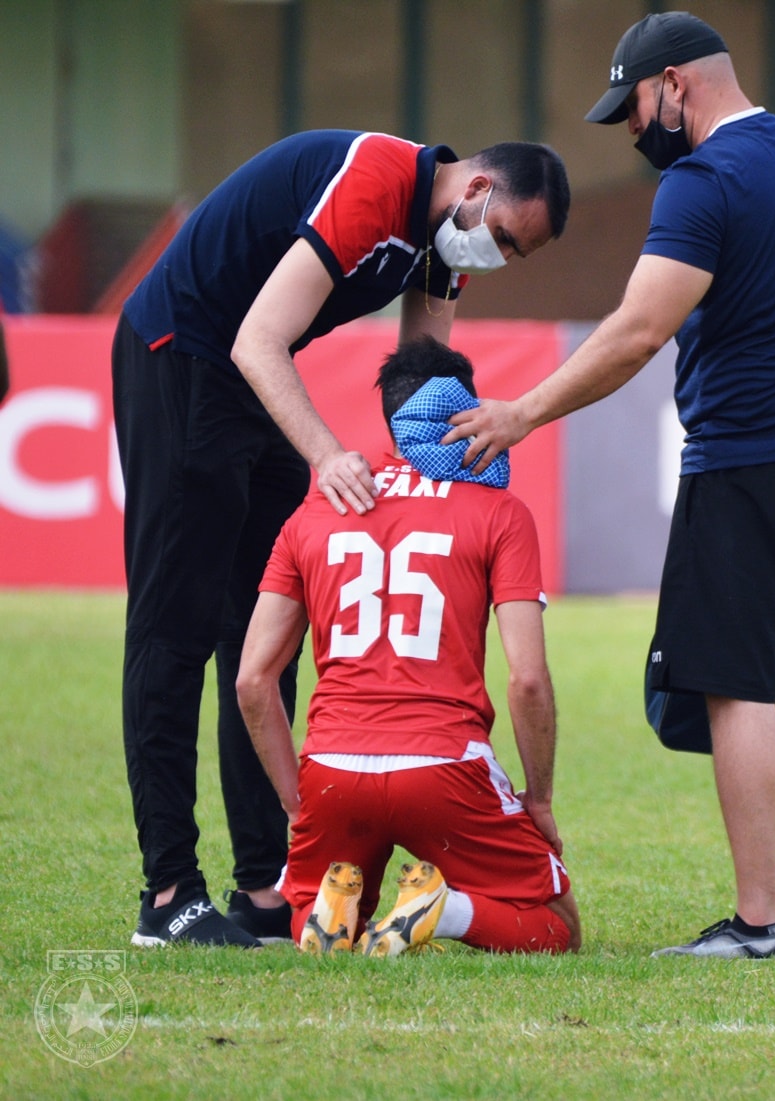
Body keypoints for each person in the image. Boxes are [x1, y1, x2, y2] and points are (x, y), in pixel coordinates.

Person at [444, 12, 775, 959]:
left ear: (675, 84)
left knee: (737, 686)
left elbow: (639, 330)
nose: (637, 128)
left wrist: (520, 412)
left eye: (636, 105)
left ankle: (761, 919)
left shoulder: (703, 180)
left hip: (744, 456)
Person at [114, 130, 570, 948]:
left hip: (254, 374)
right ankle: (168, 894)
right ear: (477, 187)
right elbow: (255, 337)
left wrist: (442, 471)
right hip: (183, 353)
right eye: (503, 235)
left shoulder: (446, 243)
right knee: (173, 629)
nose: (498, 255)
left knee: (260, 638)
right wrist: (327, 455)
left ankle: (260, 886)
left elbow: (420, 383)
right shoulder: (375, 181)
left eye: (518, 254)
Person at [236, 336, 580, 956]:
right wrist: (542, 798)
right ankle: (444, 912)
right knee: (556, 922)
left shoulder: (317, 510)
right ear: (465, 412)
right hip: (444, 766)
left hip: (334, 768)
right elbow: (527, 678)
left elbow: (252, 681)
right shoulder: (499, 510)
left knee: (320, 906)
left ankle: (331, 915)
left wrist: (297, 803)